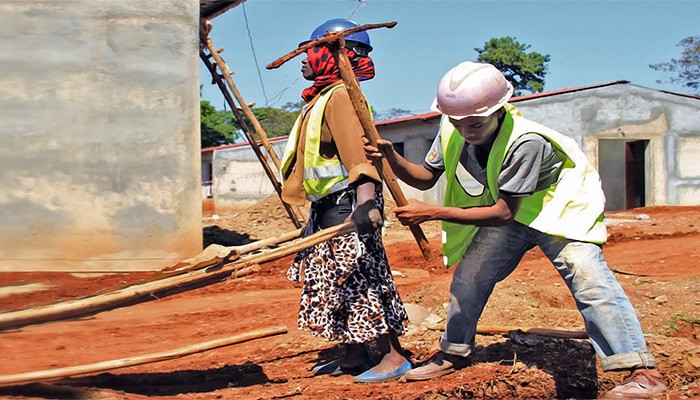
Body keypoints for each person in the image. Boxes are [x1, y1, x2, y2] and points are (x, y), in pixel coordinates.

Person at [364, 61, 667, 398]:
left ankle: (641, 371)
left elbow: (504, 212)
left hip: (558, 209)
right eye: (458, 122)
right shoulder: (454, 126)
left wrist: (434, 211)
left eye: (475, 124)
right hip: (512, 213)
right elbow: (424, 176)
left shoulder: (526, 141)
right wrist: (391, 156)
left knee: (588, 277)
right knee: (470, 275)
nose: (466, 131)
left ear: (499, 109)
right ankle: (454, 351)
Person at [278, 18, 412, 384]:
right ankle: (352, 354)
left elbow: (360, 154)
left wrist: (366, 202)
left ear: (336, 55)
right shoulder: (321, 97)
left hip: (348, 204)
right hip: (327, 205)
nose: (302, 60)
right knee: (332, 282)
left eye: (310, 52)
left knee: (360, 279)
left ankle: (392, 356)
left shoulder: (340, 97)